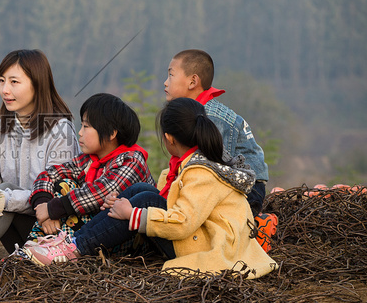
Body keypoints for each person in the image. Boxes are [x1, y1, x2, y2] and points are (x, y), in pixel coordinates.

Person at [24, 98, 277, 280]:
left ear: (169, 138)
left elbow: (183, 222)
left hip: (208, 246)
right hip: (198, 236)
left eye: (86, 126)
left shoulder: (201, 172)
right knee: (142, 190)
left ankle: (74, 248)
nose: (80, 132)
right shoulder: (185, 165)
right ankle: (71, 244)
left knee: (143, 199)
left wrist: (131, 215)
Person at [0, 49, 80, 271]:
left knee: (5, 193)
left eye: (14, 82)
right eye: (1, 81)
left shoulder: (60, 132)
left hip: (49, 234)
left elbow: (56, 195)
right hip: (12, 231)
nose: (5, 90)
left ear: (37, 84)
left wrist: (1, 197)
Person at [27, 93, 154, 241]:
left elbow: (100, 192)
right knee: (64, 184)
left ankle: (51, 248)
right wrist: (44, 205)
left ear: (111, 133)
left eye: (86, 126)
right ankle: (40, 247)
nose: (80, 132)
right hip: (91, 230)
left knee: (74, 201)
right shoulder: (88, 160)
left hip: (126, 237)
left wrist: (51, 210)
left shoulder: (132, 160)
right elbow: (48, 175)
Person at [164, 49, 269, 215]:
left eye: (171, 75)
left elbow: (219, 170)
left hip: (247, 190)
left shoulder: (211, 118)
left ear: (192, 82)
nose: (165, 82)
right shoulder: (198, 112)